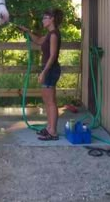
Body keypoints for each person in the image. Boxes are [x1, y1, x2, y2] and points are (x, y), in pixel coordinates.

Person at [18, 9, 63, 141]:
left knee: (51, 102)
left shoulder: (54, 35)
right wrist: (27, 31)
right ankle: (49, 128)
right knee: (47, 102)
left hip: (50, 70)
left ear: (52, 19)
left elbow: (53, 56)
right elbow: (38, 40)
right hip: (48, 70)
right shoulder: (49, 34)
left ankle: (53, 132)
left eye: (45, 18)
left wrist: (44, 72)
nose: (43, 20)